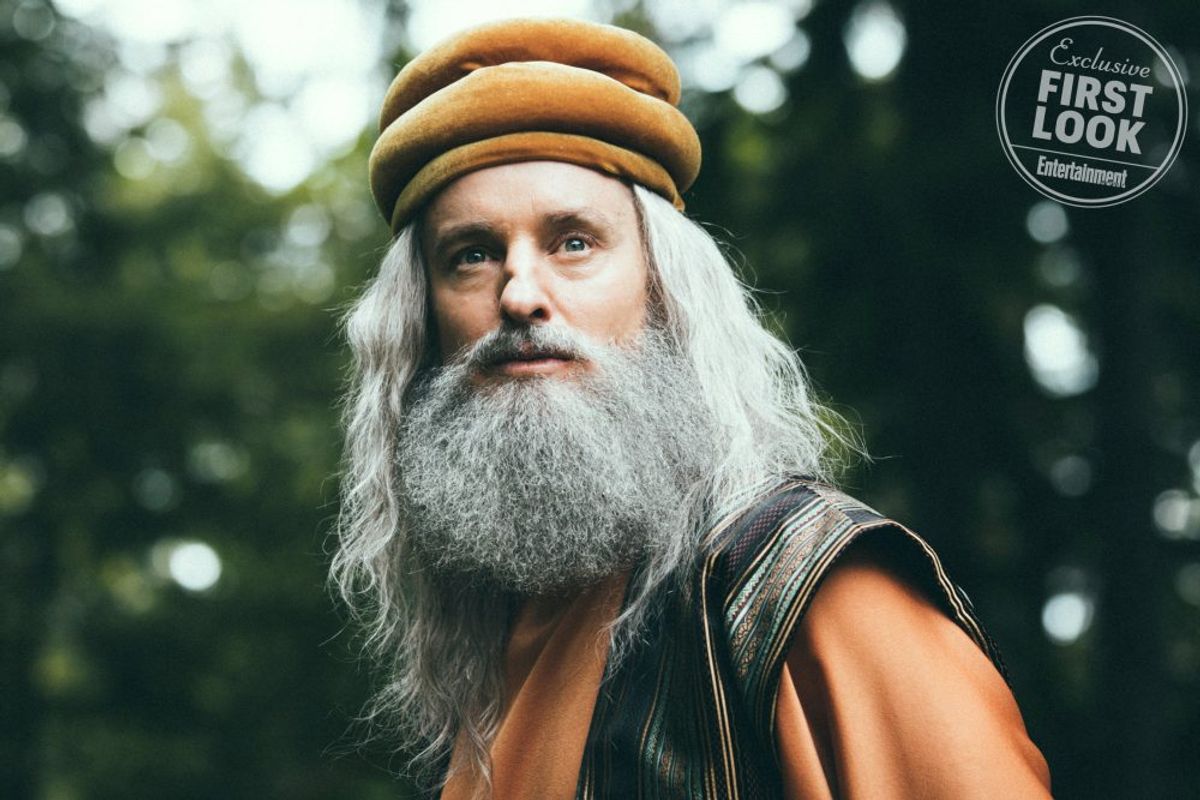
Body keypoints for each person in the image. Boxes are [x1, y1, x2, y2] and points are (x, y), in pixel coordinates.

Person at [331, 17, 1052, 799]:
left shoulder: (802, 584)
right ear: (424, 318)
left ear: (664, 291)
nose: (521, 294)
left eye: (574, 242)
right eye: (472, 255)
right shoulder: (489, 648)